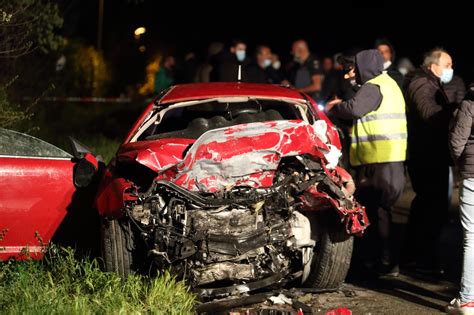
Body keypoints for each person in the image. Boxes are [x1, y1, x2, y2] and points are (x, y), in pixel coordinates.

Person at [326, 49, 407, 276]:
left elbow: (355, 108)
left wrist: (336, 107)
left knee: (375, 212)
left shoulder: (374, 87)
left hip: (379, 160)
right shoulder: (388, 84)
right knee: (383, 212)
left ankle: (377, 262)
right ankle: (386, 262)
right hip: (390, 158)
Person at [405, 48, 458, 274]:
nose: (451, 69)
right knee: (430, 208)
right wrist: (455, 111)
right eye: (447, 64)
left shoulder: (431, 82)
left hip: (431, 154)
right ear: (433, 65)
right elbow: (428, 112)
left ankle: (418, 257)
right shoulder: (421, 83)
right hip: (426, 155)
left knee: (430, 207)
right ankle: (421, 260)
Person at [448, 84, 474, 314]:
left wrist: (461, 166)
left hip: (473, 175)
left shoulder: (470, 103)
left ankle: (467, 301)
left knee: (472, 238)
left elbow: (457, 143)